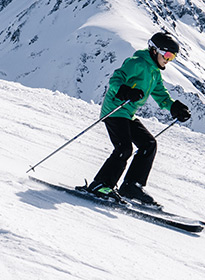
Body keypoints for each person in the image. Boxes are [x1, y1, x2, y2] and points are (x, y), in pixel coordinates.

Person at [81, 31, 191, 207]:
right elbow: (116, 79)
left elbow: (161, 95)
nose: (169, 60)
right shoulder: (136, 63)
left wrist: (174, 107)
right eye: (168, 55)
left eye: (173, 57)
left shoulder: (155, 72)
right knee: (124, 148)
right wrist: (125, 91)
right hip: (115, 110)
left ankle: (132, 186)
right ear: (155, 51)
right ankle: (101, 185)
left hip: (128, 113)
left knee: (149, 144)